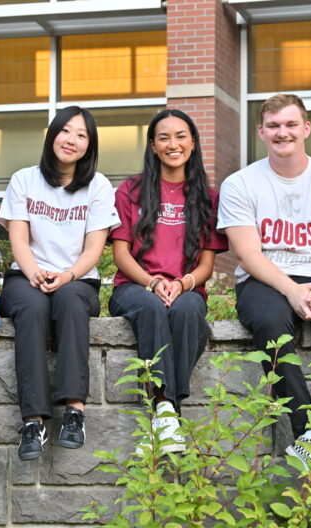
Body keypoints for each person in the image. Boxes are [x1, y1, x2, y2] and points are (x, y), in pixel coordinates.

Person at [218, 93, 311, 473]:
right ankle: (310, 433)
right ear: (261, 132)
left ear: (306, 128)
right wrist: (292, 290)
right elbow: (247, 254)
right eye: (273, 126)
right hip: (266, 278)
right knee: (271, 324)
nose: (281, 132)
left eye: (290, 124)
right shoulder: (240, 184)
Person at [0, 106, 120, 462]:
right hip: (26, 275)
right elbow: (18, 240)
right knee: (33, 307)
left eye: (82, 135)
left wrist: (66, 275)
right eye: (66, 131)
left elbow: (94, 248)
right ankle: (33, 422)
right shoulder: (24, 179)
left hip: (78, 279)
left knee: (67, 300)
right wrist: (34, 271)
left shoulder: (98, 187)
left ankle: (75, 412)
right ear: (52, 134)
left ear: (89, 145)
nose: (72, 140)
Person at [109, 109, 228, 454]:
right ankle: (167, 406)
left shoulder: (208, 197)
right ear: (152, 145)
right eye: (164, 137)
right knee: (151, 309)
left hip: (187, 287)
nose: (173, 144)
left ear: (193, 143)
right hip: (134, 287)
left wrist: (183, 283)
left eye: (180, 136)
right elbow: (121, 255)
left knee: (189, 312)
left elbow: (207, 264)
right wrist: (152, 283)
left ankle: (164, 414)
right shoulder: (130, 190)